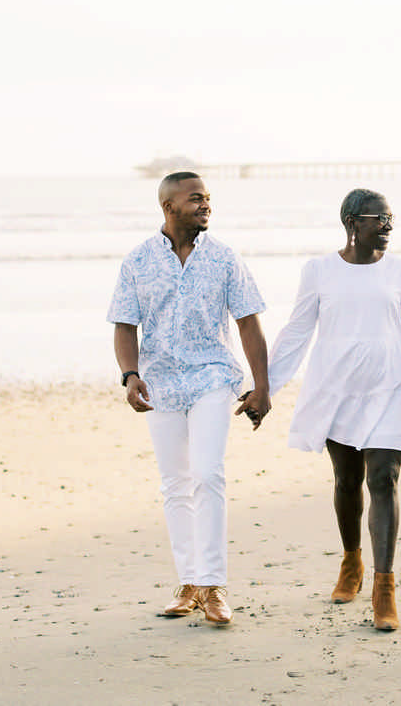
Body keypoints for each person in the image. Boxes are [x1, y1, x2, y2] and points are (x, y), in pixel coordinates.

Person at [267, 189, 401, 631]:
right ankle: (352, 561)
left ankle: (384, 588)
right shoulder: (319, 270)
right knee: (348, 481)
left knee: (384, 478)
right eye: (378, 219)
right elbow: (296, 331)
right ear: (352, 222)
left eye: (391, 219)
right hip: (337, 390)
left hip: (390, 388)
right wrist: (265, 387)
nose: (387, 227)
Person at [107, 171, 272, 626]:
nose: (206, 206)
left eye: (208, 198)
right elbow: (125, 325)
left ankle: (214, 584)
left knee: (206, 473)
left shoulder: (223, 259)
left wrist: (262, 385)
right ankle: (190, 582)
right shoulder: (137, 261)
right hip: (160, 382)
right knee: (175, 483)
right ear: (169, 206)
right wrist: (130, 375)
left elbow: (248, 323)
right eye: (196, 199)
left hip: (212, 377)